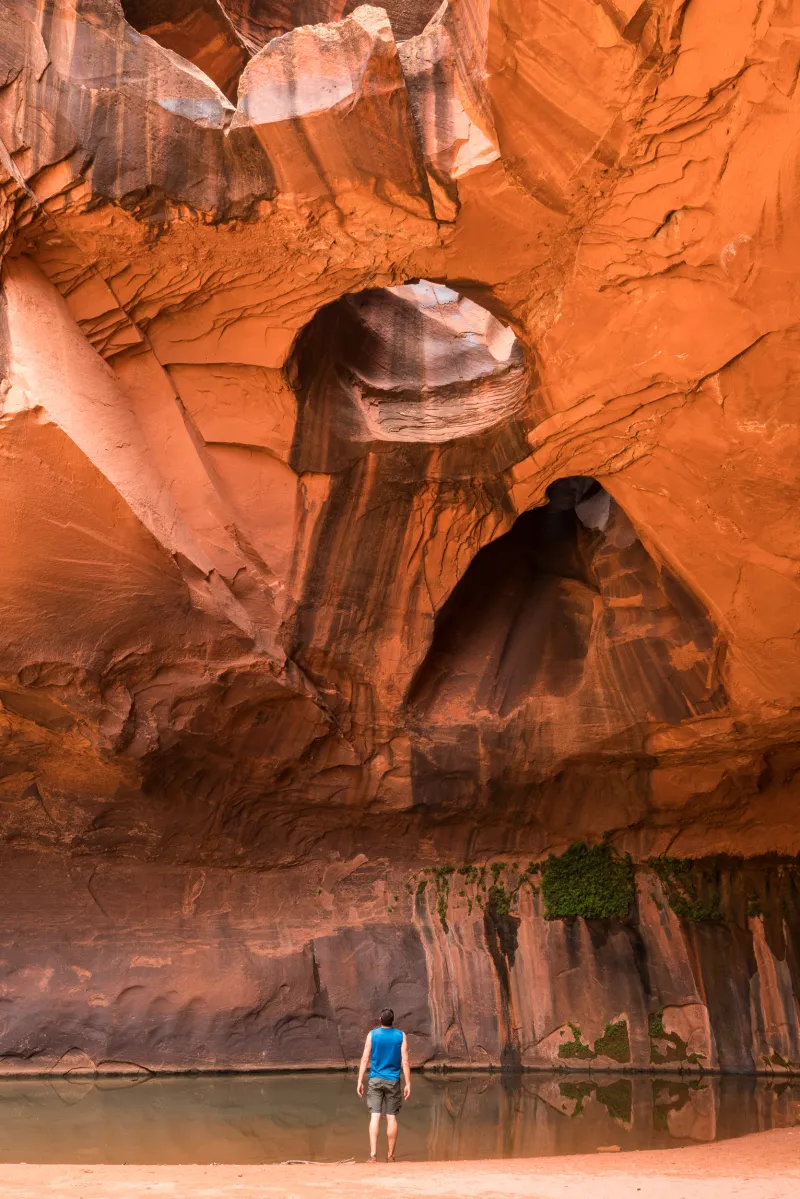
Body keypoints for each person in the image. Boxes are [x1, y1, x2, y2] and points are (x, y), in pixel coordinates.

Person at [356, 1007, 411, 1163]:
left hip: (375, 1080)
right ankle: (390, 1156)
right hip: (393, 1080)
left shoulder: (372, 1035)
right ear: (392, 1021)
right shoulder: (401, 1036)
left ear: (380, 1020)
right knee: (391, 1117)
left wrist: (360, 1080)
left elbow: (365, 1058)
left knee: (375, 1116)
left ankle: (373, 1155)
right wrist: (408, 1083)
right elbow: (405, 1061)